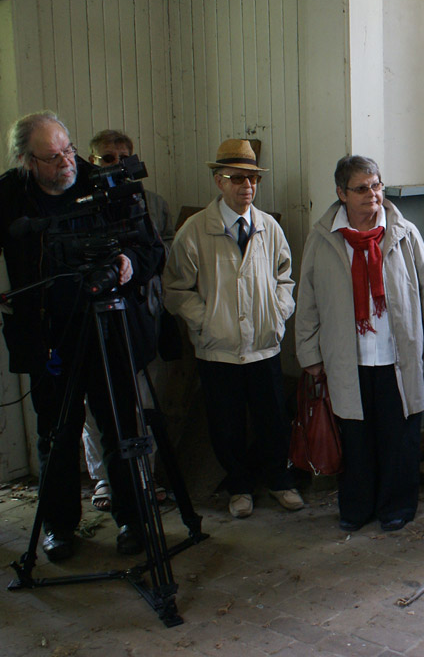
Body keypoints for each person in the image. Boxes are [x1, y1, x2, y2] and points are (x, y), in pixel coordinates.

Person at [0, 112, 165, 560]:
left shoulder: (103, 183)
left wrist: (128, 264)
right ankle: (59, 526)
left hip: (106, 329)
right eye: (52, 157)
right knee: (56, 434)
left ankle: (132, 517)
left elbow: (151, 249)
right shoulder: (8, 195)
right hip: (47, 337)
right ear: (26, 161)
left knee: (119, 428)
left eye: (68, 150)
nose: (65, 163)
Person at [295, 155, 424, 533]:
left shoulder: (403, 232)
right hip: (348, 358)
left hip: (399, 356)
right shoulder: (324, 239)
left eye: (377, 185)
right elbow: (309, 301)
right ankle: (357, 506)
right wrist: (310, 355)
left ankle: (396, 506)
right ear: (341, 193)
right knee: (356, 439)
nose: (372, 195)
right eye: (362, 188)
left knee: (399, 437)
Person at [163, 138, 302, 519]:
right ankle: (239, 487)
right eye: (237, 178)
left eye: (253, 179)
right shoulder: (194, 232)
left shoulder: (268, 227)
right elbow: (175, 288)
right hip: (218, 349)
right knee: (226, 424)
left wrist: (277, 313)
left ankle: (279, 480)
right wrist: (206, 320)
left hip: (262, 345)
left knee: (272, 418)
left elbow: (284, 277)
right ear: (218, 181)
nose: (247, 187)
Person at [83, 129, 174, 512]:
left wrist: (131, 266)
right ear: (92, 161)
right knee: (94, 408)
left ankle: (144, 476)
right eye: (107, 158)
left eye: (124, 157)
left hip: (138, 315)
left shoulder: (150, 203)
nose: (116, 165)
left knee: (140, 402)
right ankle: (104, 479)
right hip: (91, 321)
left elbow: (161, 252)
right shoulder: (82, 203)